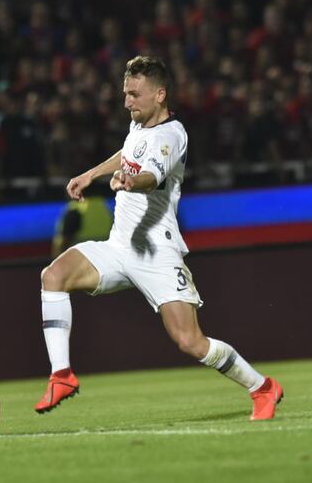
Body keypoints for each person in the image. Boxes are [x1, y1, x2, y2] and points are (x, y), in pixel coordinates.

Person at [35, 55, 283, 421]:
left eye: (134, 94)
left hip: (157, 253)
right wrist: (92, 174)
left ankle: (262, 387)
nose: (126, 102)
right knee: (53, 276)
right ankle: (62, 375)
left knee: (190, 342)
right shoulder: (139, 127)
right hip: (120, 246)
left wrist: (131, 181)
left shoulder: (172, 135)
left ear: (160, 94)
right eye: (125, 94)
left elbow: (152, 173)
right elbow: (129, 154)